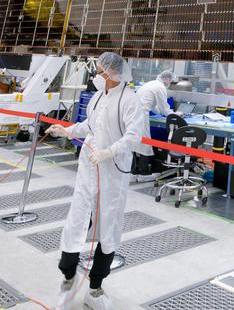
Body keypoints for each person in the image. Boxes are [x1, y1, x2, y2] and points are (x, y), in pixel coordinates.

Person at [50, 52, 148, 310]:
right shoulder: (97, 96)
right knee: (77, 218)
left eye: (102, 71)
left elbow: (134, 136)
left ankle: (95, 287)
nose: (98, 74)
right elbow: (89, 126)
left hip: (112, 173)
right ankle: (68, 275)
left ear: (112, 74)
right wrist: (66, 129)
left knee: (108, 224)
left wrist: (109, 151)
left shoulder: (130, 100)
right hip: (88, 168)